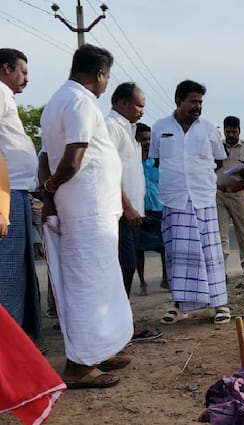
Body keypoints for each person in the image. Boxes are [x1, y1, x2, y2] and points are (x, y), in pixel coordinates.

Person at [39, 44, 133, 389]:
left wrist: (50, 190)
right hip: (87, 211)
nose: (107, 83)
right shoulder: (79, 101)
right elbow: (72, 156)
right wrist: (52, 186)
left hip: (91, 211)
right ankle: (78, 367)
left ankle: (100, 350)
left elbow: (44, 156)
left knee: (102, 282)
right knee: (87, 286)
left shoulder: (57, 102)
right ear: (100, 74)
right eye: (107, 76)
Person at [149, 80, 231, 325]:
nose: (197, 106)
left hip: (202, 198)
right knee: (178, 254)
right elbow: (156, 160)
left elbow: (219, 161)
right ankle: (180, 305)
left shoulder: (208, 129)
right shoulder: (160, 127)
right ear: (178, 101)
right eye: (193, 101)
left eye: (200, 102)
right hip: (174, 200)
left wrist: (198, 174)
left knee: (209, 253)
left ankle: (219, 305)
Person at [0, 48, 42, 340]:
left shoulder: (6, 97)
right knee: (8, 274)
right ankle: (10, 349)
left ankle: (21, 343)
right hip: (6, 193)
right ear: (6, 69)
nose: (26, 78)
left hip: (17, 192)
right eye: (22, 71)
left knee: (20, 273)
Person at [105, 82, 145, 297]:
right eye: (139, 106)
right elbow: (108, 172)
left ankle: (125, 321)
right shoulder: (111, 127)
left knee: (128, 266)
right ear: (122, 103)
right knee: (125, 265)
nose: (142, 111)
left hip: (133, 212)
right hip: (122, 212)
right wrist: (127, 207)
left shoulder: (128, 129)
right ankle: (120, 324)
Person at [215, 115, 244, 277]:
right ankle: (221, 267)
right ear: (224, 130)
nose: (231, 135)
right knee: (220, 233)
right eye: (228, 132)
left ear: (239, 131)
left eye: (234, 132)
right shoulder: (217, 146)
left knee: (243, 230)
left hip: (240, 193)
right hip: (219, 193)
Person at [134, 123, 167, 296]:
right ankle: (142, 282)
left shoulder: (157, 161)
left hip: (159, 208)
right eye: (143, 139)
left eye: (149, 139)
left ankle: (165, 278)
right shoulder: (131, 161)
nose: (147, 143)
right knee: (139, 248)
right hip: (140, 210)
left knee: (164, 246)